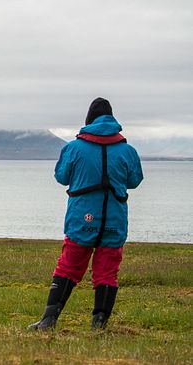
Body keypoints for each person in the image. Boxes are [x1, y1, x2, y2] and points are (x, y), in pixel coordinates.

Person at [29, 97, 143, 330]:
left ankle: (48, 320)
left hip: (81, 218)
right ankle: (98, 325)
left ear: (88, 119)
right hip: (114, 218)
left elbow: (61, 177)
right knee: (108, 272)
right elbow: (135, 181)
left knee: (68, 266)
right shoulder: (128, 151)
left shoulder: (73, 148)